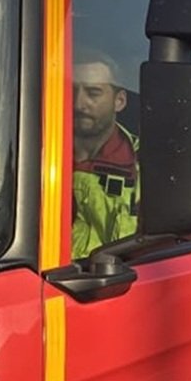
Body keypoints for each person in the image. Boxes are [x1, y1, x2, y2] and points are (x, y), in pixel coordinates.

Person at [71, 51, 140, 258]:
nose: (78, 104)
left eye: (93, 93)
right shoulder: (28, 156)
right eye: (71, 90)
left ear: (119, 101)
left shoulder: (146, 166)